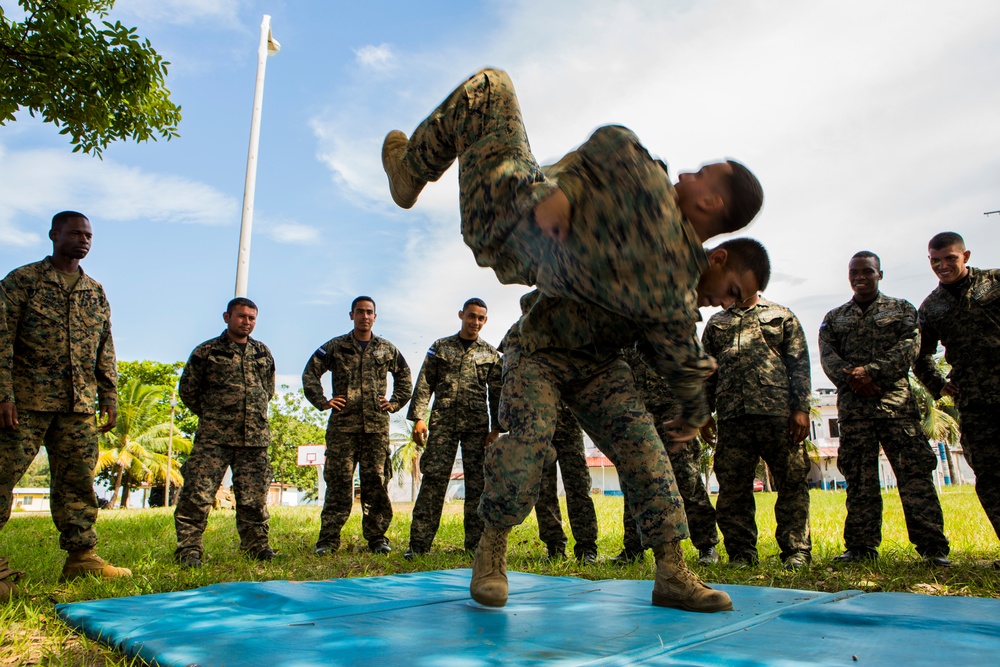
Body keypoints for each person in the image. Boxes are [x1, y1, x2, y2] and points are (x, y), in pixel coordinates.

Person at [461, 235, 769, 612]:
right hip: (538, 348)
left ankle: (672, 572)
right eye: (731, 291)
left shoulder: (681, 305)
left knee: (646, 448)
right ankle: (491, 549)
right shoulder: (653, 243)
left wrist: (693, 408)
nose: (724, 303)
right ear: (718, 259)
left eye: (734, 301)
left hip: (599, 364)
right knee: (531, 437)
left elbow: (661, 350)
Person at [382, 67, 763, 327]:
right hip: (522, 229)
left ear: (711, 203)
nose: (685, 174)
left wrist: (569, 190)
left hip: (514, 214)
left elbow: (616, 140)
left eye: (699, 175)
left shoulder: (667, 273)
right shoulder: (663, 240)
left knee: (490, 88)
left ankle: (408, 172)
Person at [1, 211, 130, 595]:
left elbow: (104, 346)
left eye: (88, 235)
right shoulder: (22, 281)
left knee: (77, 482)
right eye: (75, 233)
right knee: (2, 474)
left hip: (77, 406)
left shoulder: (95, 290)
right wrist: (3, 394)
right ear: (54, 234)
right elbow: (1, 340)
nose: (84, 240)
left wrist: (108, 394)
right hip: (25, 401)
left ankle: (82, 558)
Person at [820, 251, 950, 566]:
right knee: (860, 481)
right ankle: (861, 547)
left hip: (896, 407)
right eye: (854, 272)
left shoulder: (902, 309)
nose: (860, 277)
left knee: (915, 476)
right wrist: (854, 379)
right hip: (855, 410)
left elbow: (910, 348)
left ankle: (933, 548)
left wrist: (871, 372)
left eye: (867, 271)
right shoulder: (835, 317)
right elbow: (828, 355)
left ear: (880, 274)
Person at [702, 278, 813, 569]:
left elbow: (799, 363)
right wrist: (703, 413)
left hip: (777, 414)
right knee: (733, 488)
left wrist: (801, 408)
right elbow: (706, 374)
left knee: (791, 483)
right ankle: (741, 554)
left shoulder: (781, 315)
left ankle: (796, 551)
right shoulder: (716, 323)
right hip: (732, 417)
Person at [173, 298, 277, 567]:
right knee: (198, 495)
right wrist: (213, 416)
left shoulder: (262, 353)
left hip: (254, 438)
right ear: (227, 317)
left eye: (252, 318)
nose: (247, 322)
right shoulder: (207, 352)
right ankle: (189, 549)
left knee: (254, 498)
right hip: (214, 438)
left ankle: (256, 545)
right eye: (242, 316)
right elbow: (188, 391)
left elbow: (268, 391)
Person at [303, 297, 412, 554]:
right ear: (351, 315)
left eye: (369, 312)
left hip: (376, 428)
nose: (365, 316)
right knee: (339, 482)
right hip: (343, 427)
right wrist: (323, 401)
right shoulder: (336, 346)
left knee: (375, 482)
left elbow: (405, 377)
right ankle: (328, 540)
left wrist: (395, 403)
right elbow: (310, 372)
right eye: (360, 312)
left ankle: (377, 538)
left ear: (375, 316)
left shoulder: (387, 349)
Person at [915, 232, 997, 566]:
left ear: (965, 255)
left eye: (950, 258)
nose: (943, 265)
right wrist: (939, 385)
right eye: (936, 260)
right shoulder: (932, 306)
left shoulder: (995, 282)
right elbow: (919, 356)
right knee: (991, 477)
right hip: (977, 401)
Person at [404, 298, 501, 558]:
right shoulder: (440, 347)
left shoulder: (491, 354)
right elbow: (425, 382)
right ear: (461, 315)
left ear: (485, 320)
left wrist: (496, 429)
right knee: (434, 481)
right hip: (443, 423)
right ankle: (418, 545)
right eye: (471, 316)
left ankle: (475, 546)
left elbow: (497, 393)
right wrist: (419, 418)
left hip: (477, 427)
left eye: (480, 318)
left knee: (477, 484)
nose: (475, 322)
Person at [612, 346, 720, 566]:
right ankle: (633, 548)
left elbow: (692, 365)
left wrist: (696, 410)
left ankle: (707, 546)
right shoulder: (620, 331)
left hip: (674, 410)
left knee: (686, 478)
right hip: (636, 412)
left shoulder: (664, 321)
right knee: (635, 478)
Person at [533, 406, 599, 563]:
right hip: (538, 427)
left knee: (578, 486)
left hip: (569, 423)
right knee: (544, 491)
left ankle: (586, 549)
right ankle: (554, 548)